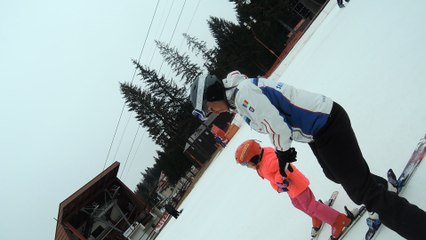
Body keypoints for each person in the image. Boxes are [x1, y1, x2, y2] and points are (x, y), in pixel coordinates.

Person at [189, 71, 426, 239]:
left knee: (362, 192)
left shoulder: (243, 96)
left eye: (210, 108)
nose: (215, 112)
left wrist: (281, 154)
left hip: (326, 125)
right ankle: (382, 188)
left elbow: (277, 127)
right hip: (319, 129)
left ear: (212, 97)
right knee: (333, 173)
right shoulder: (237, 92)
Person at [235, 139, 354, 239]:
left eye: (246, 163)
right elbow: (271, 177)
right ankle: (317, 216)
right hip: (290, 189)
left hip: (296, 184)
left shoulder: (269, 160)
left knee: (310, 206)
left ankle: (339, 221)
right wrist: (277, 187)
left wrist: (279, 180)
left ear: (254, 157)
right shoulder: (261, 163)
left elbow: (283, 167)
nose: (247, 166)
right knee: (297, 204)